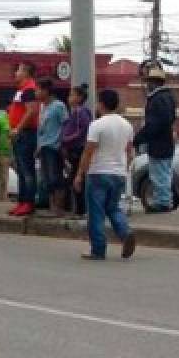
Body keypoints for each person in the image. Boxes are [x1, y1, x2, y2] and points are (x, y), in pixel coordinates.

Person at [74, 89, 136, 260]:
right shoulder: (127, 125)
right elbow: (130, 152)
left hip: (99, 172)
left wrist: (80, 174)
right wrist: (124, 168)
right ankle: (125, 232)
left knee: (96, 213)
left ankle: (98, 249)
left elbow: (88, 152)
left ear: (101, 104)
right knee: (113, 207)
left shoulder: (97, 125)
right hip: (118, 173)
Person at [133, 66, 177, 212]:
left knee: (159, 174)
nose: (147, 85)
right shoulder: (168, 97)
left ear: (154, 82)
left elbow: (154, 124)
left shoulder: (157, 99)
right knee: (164, 172)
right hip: (166, 141)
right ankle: (164, 200)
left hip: (158, 143)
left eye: (148, 81)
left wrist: (138, 138)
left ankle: (162, 203)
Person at [8, 61, 41, 217]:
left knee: (26, 170)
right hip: (20, 134)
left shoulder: (29, 89)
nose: (16, 73)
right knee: (21, 170)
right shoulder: (21, 90)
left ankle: (28, 202)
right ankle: (22, 202)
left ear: (26, 73)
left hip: (26, 133)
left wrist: (18, 128)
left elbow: (32, 111)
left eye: (19, 70)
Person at [34, 78, 69, 216]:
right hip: (44, 147)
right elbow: (41, 129)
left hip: (54, 147)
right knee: (47, 179)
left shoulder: (58, 106)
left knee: (56, 178)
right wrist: (38, 146)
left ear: (46, 91)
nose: (36, 93)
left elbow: (65, 124)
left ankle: (58, 208)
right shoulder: (43, 107)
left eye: (38, 90)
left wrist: (62, 144)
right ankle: (51, 206)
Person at [60, 84, 92, 217]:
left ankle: (80, 209)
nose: (69, 98)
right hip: (74, 149)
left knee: (77, 180)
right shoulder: (75, 112)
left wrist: (66, 139)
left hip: (78, 149)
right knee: (74, 179)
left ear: (79, 98)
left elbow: (82, 130)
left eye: (72, 95)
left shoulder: (81, 112)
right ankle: (77, 208)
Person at [0, 108, 12, 202]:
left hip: (10, 150)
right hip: (3, 150)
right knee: (3, 174)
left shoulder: (13, 119)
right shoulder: (1, 120)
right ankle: (2, 196)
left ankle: (2, 196)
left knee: (3, 174)